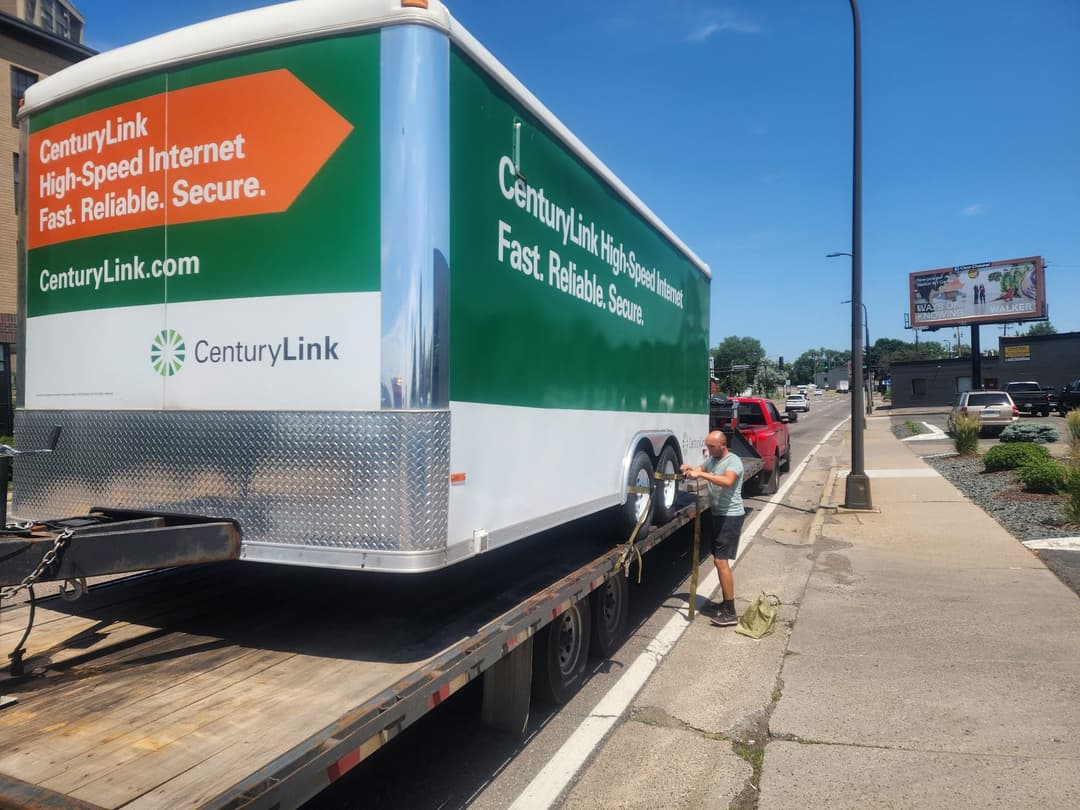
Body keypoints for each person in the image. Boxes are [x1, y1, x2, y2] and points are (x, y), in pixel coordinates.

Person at [681, 430, 745, 626]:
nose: (708, 449)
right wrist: (689, 469)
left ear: (722, 445)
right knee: (719, 560)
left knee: (720, 561)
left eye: (712, 446)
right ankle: (725, 604)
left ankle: (731, 611)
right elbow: (699, 470)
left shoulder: (733, 461)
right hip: (718, 514)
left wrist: (702, 474)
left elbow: (727, 481)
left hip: (731, 516)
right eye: (707, 446)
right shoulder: (713, 460)